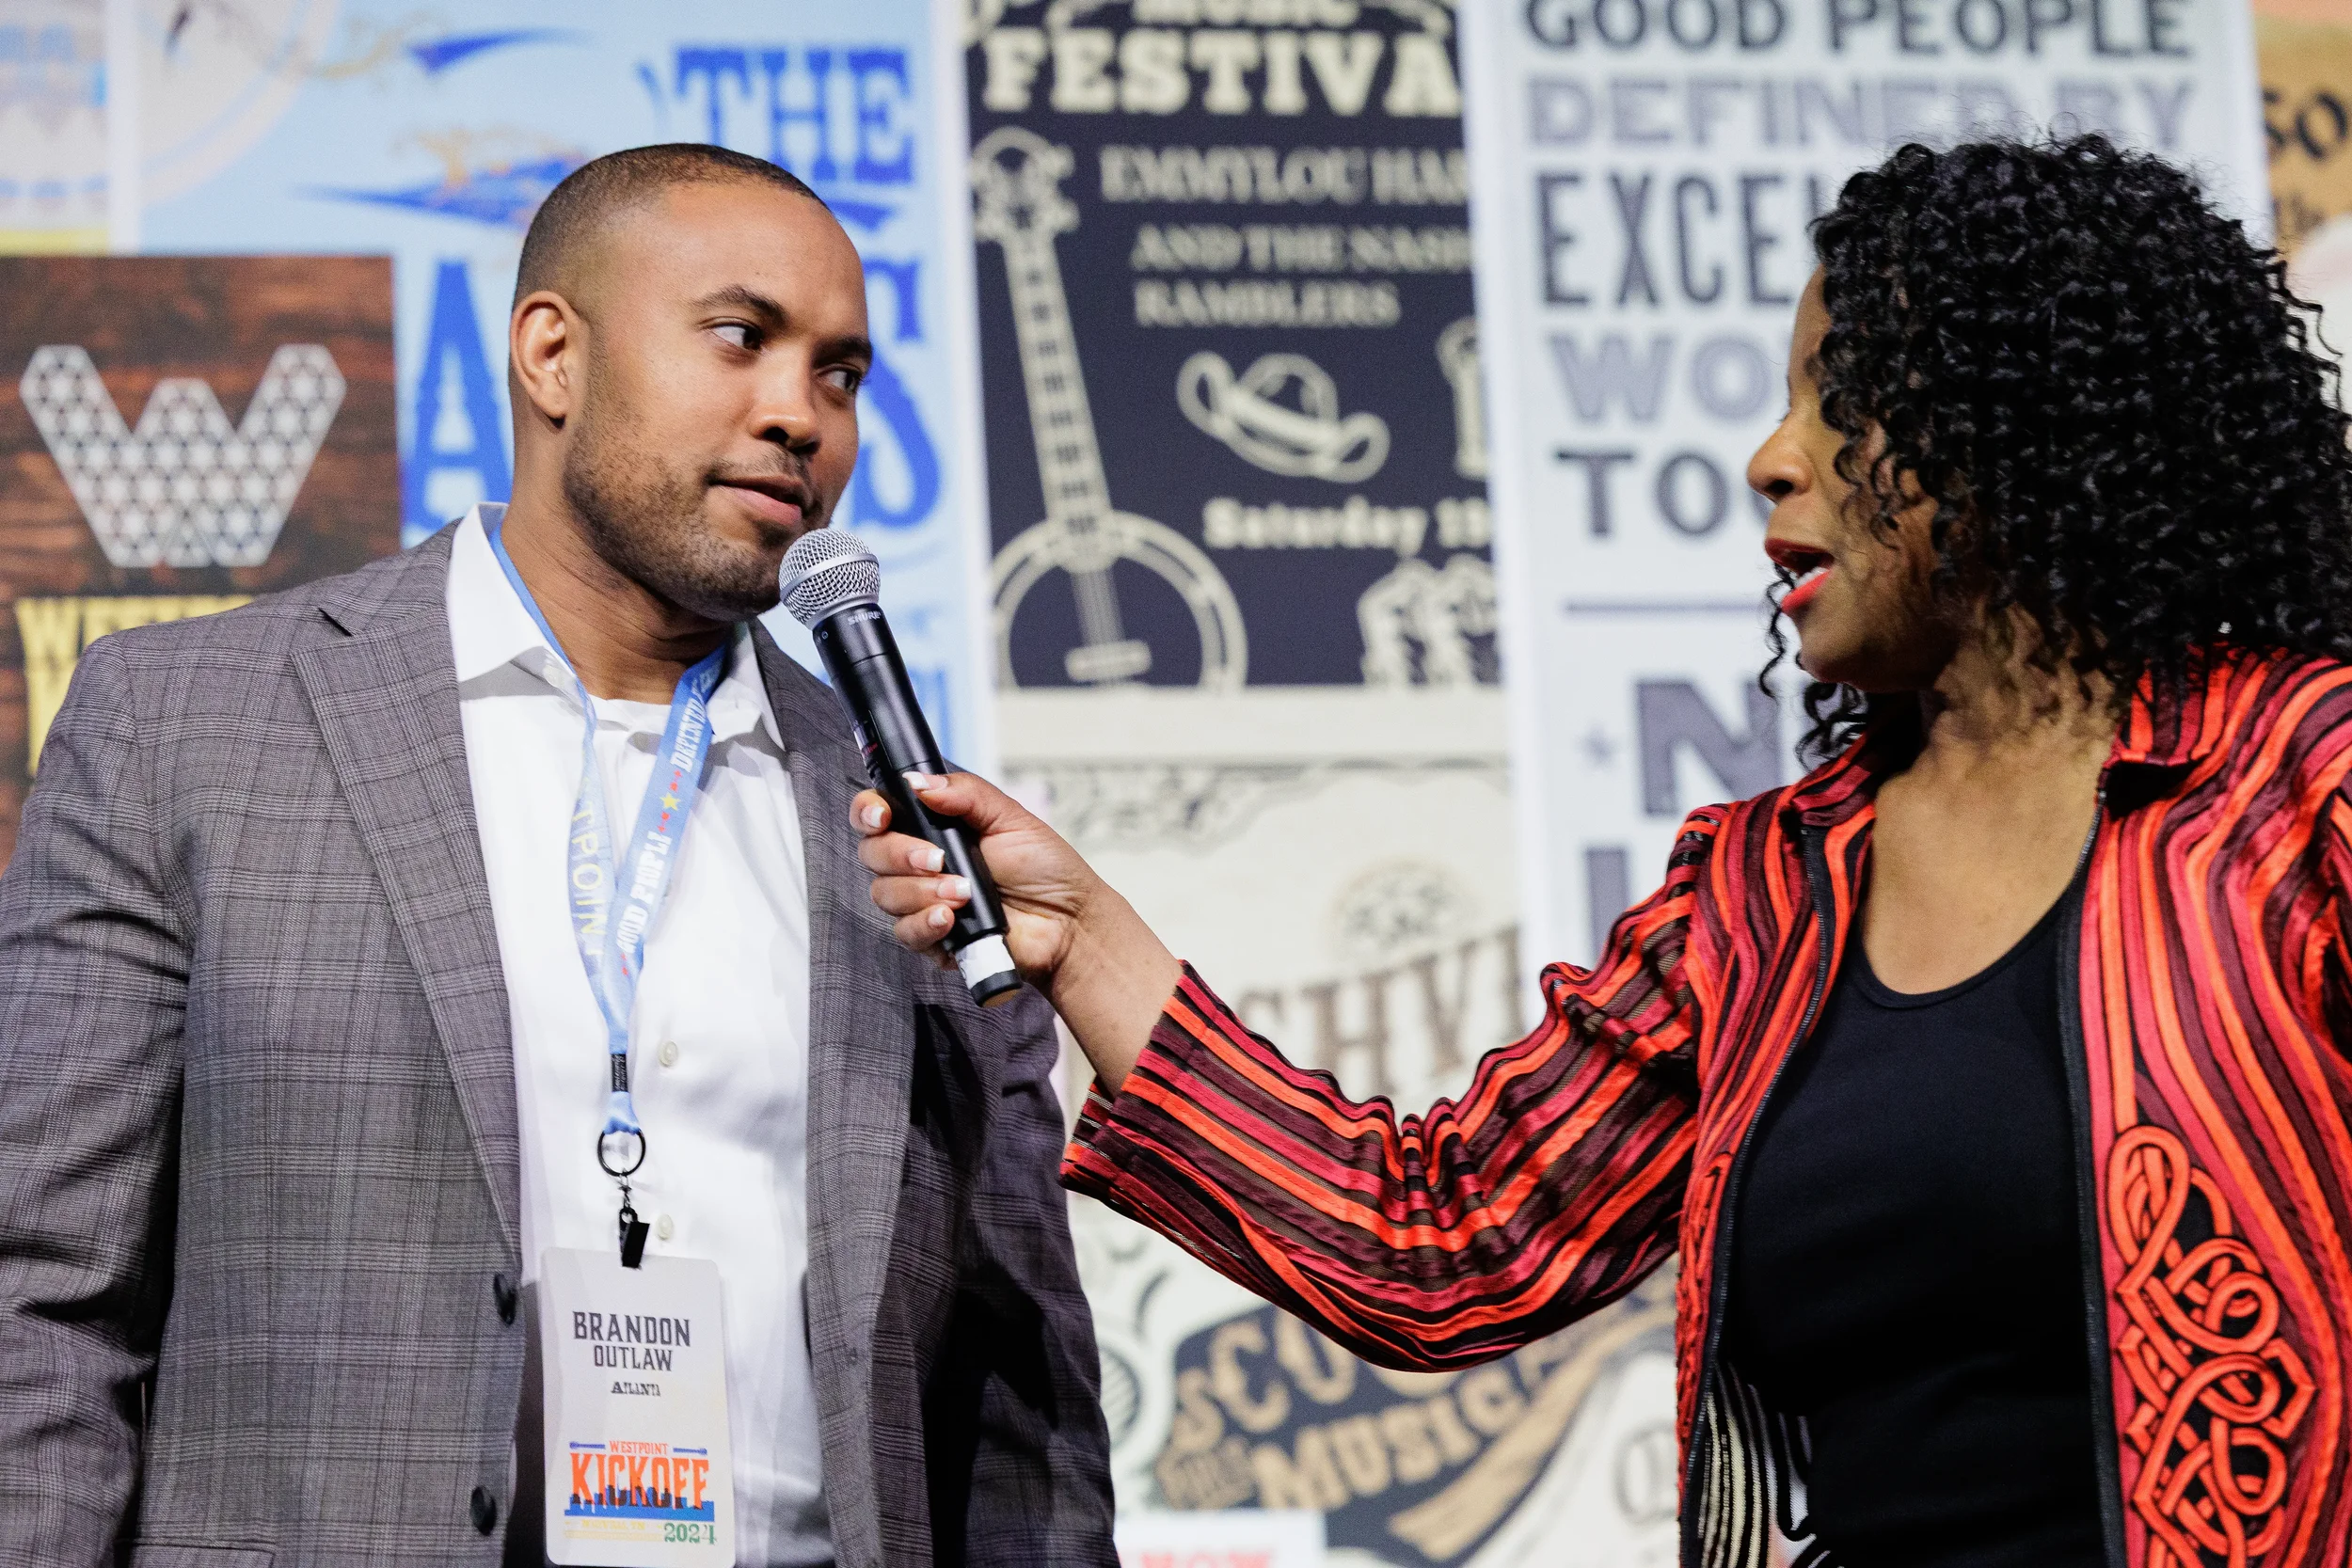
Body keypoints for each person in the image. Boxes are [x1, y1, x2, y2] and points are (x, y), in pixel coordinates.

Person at [855, 137, 2352, 1568]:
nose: (1774, 458)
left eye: (1844, 396)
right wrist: (1086, 936)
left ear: (2034, 413)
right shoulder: (1763, 889)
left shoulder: (2304, 781)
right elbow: (1444, 1239)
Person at [0, 144, 1114, 1568]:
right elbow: (40, 1300)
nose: (801, 416)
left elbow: (1023, 1405)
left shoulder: (909, 819)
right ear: (551, 354)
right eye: (742, 338)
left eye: (841, 374)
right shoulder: (195, 726)